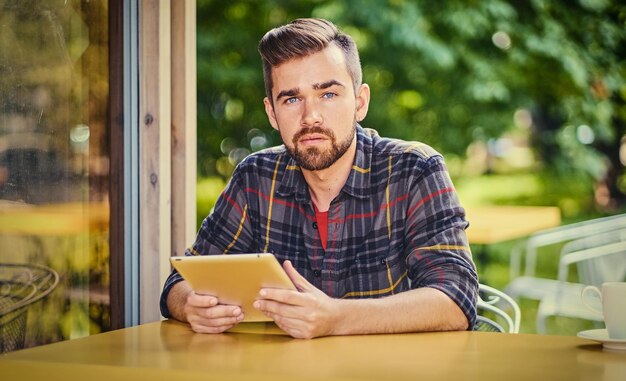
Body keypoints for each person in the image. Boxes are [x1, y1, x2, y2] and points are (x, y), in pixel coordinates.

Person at [160, 17, 478, 339]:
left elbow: (456, 298)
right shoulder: (255, 177)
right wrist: (191, 306)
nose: (310, 116)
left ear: (360, 102)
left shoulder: (415, 170)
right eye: (292, 99)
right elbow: (180, 282)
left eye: (328, 94)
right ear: (272, 113)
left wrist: (336, 318)